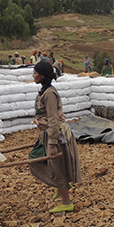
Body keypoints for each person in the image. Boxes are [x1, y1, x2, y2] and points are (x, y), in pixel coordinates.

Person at [29, 61, 82, 213]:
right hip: (46, 134)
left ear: (43, 75)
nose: (33, 75)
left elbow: (53, 119)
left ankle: (66, 201)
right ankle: (62, 185)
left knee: (54, 167)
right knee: (37, 159)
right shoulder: (45, 91)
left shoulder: (49, 94)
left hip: (55, 135)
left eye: (35, 72)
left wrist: (52, 142)